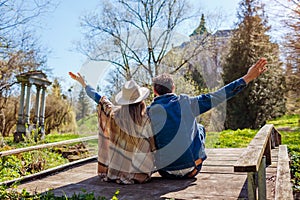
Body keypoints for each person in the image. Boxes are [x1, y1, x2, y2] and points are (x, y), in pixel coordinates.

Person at [147, 57, 268, 179]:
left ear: (155, 91)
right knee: (199, 128)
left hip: (166, 171)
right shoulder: (186, 103)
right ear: (173, 88)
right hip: (192, 169)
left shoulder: (148, 112)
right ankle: (191, 160)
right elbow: (218, 96)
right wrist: (247, 78)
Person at [69, 72, 155, 184]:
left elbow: (99, 99)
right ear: (141, 101)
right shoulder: (146, 121)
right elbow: (152, 146)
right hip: (140, 173)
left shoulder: (114, 115)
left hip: (115, 172)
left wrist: (84, 84)